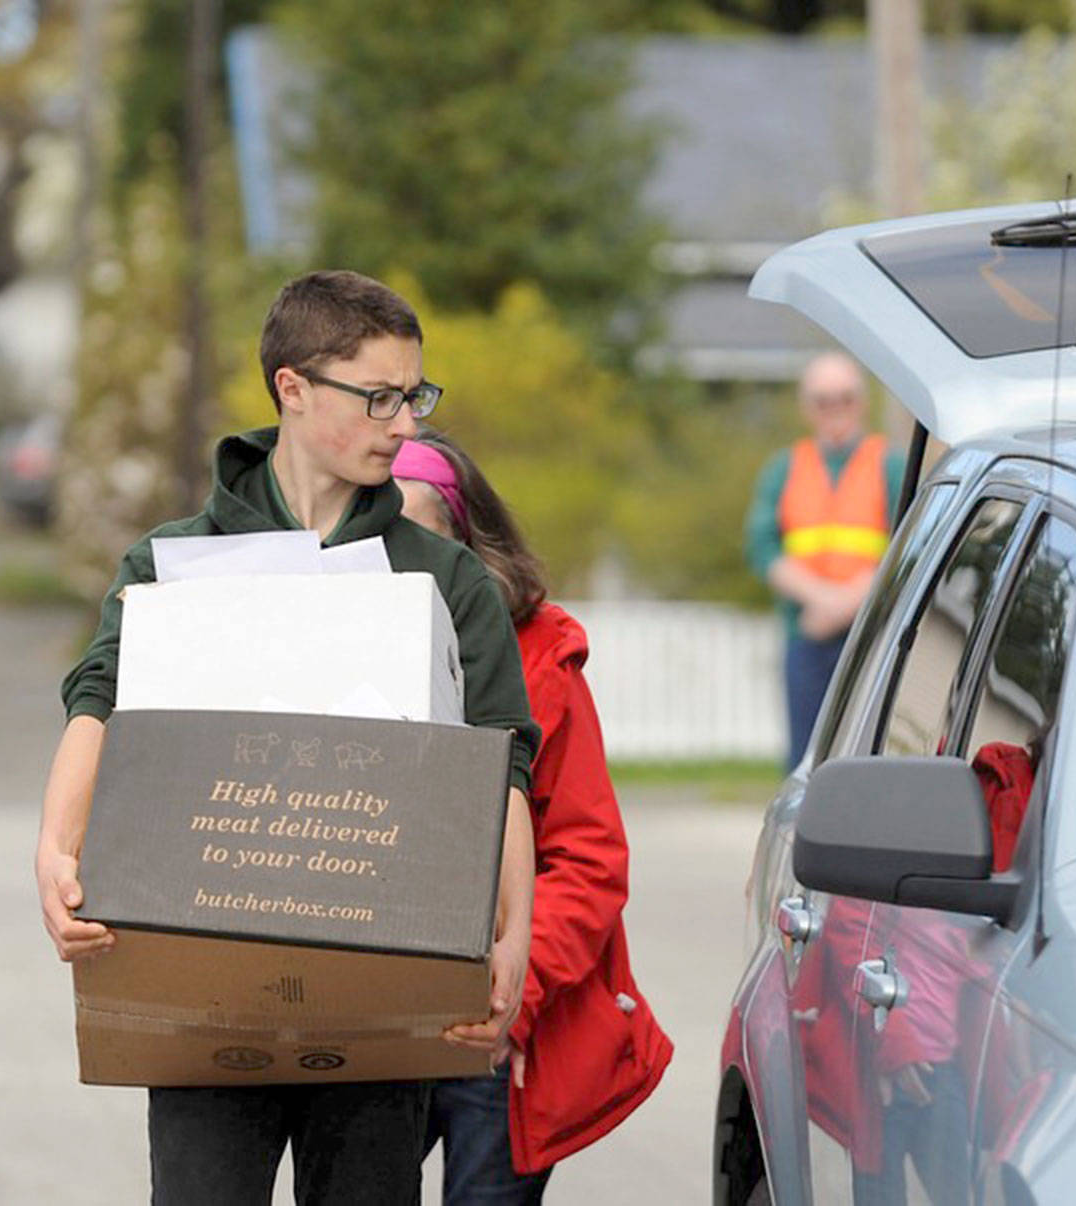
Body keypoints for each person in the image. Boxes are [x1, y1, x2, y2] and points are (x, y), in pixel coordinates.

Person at [34, 270, 540, 1205]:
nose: (407, 425)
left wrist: (512, 935)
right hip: (203, 989)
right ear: (293, 388)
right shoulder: (171, 566)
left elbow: (499, 759)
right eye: (379, 398)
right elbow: (97, 703)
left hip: (382, 988)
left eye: (415, 397)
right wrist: (54, 853)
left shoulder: (447, 582)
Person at [393, 429, 673, 1204]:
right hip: (374, 1031)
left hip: (498, 1035)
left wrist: (516, 997)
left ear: (467, 544)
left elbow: (589, 860)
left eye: (421, 538)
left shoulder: (543, 662)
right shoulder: (339, 643)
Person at [746, 351, 904, 769]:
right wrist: (821, 601)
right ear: (806, 407)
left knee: (870, 760)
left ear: (862, 401)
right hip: (806, 636)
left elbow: (907, 547)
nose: (835, 409)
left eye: (845, 398)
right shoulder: (784, 469)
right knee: (806, 763)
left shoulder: (890, 465)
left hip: (871, 636)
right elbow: (764, 550)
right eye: (823, 400)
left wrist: (846, 605)